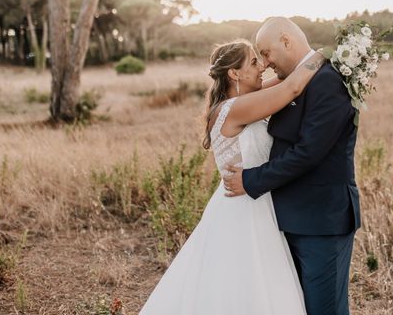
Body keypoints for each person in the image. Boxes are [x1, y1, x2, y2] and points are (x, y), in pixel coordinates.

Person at [139, 36, 326, 315]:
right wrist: (326, 53)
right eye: (254, 62)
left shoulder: (243, 101)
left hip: (255, 201)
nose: (262, 66)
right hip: (243, 210)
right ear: (234, 73)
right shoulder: (234, 109)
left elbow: (288, 78)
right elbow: (292, 88)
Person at [224, 17, 361, 315]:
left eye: (267, 53)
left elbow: (309, 152)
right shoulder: (297, 79)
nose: (266, 63)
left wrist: (251, 179)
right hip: (289, 218)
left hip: (322, 220)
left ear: (286, 41)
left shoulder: (328, 80)